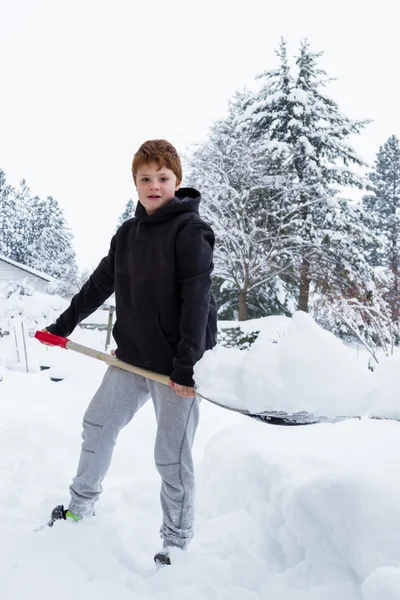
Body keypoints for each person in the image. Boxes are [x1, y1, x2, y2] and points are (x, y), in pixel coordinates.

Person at [43, 139, 217, 565]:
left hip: (178, 368)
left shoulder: (190, 231)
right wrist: (63, 325)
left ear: (177, 181)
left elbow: (197, 298)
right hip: (132, 358)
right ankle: (79, 509)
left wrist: (187, 366)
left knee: (170, 457)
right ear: (135, 183)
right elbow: (101, 283)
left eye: (163, 177)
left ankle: (176, 542)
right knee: (97, 424)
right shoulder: (128, 234)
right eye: (145, 178)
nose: (154, 185)